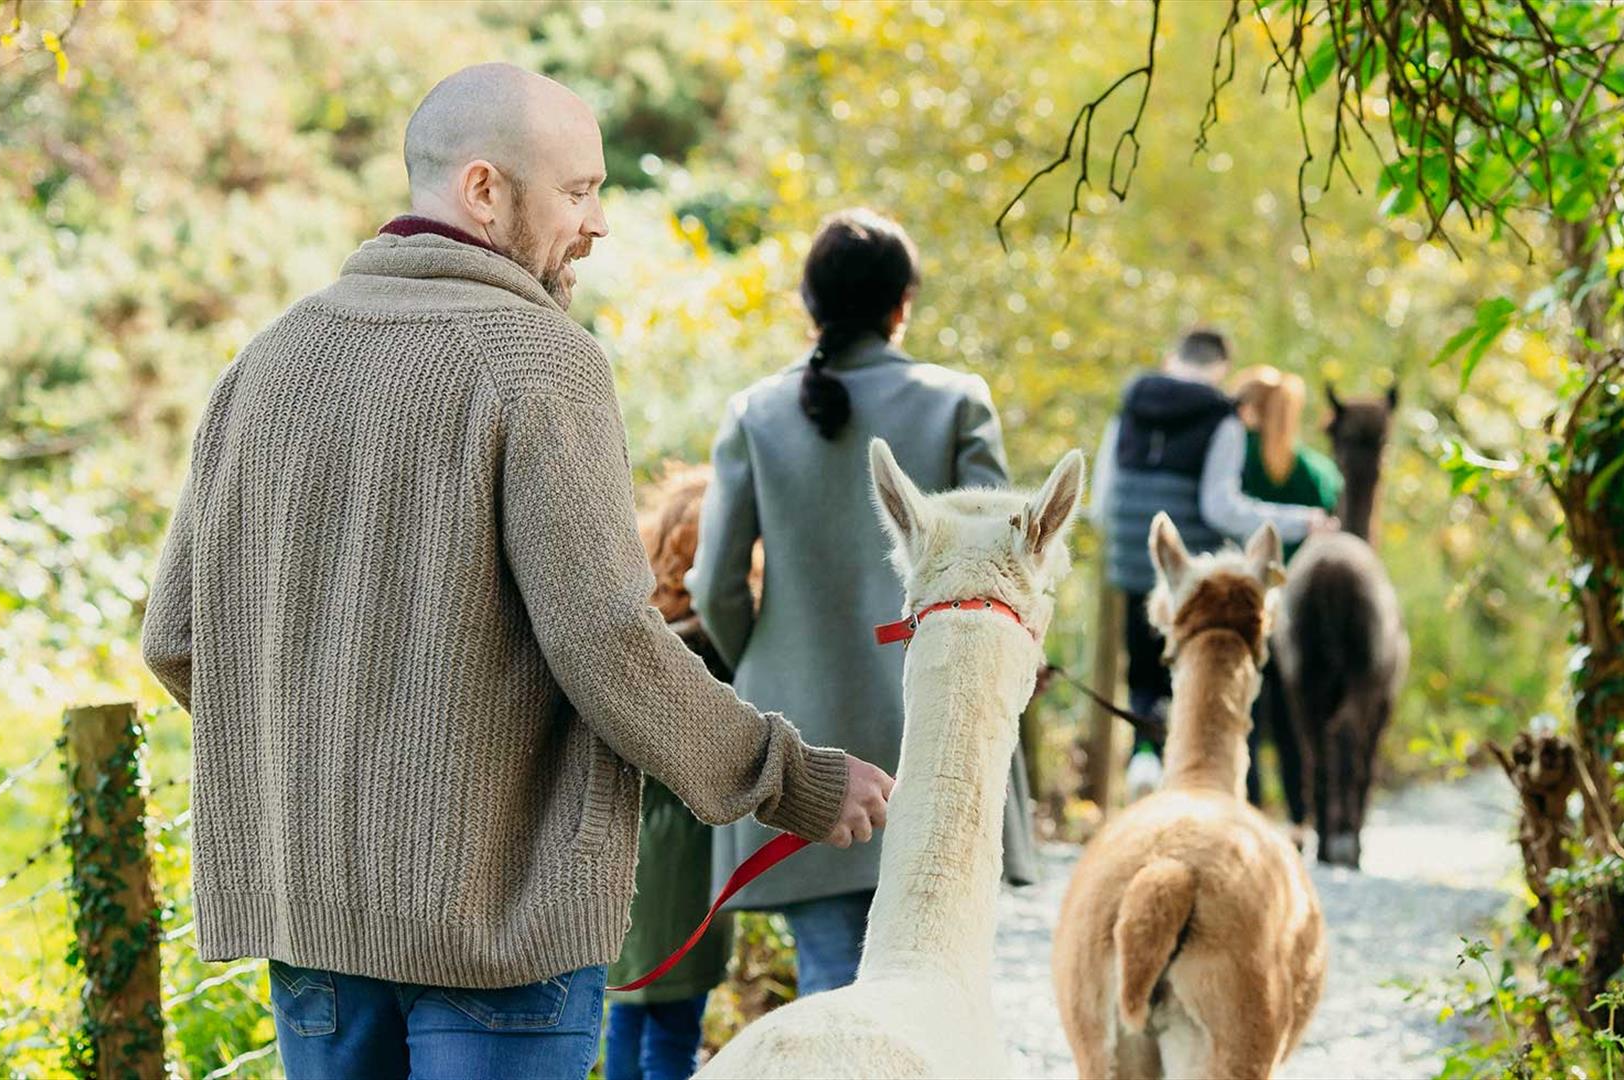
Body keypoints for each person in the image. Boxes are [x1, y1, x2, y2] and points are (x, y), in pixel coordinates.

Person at [139, 64, 894, 1080]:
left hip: (315, 924)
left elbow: (178, 637)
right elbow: (610, 645)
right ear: (485, 190)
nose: (599, 224)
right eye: (579, 191)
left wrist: (338, 778)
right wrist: (794, 778)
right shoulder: (541, 361)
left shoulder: (267, 362)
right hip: (499, 929)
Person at [687, 208, 1040, 999]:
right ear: (902, 304)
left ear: (810, 305)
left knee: (829, 987)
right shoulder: (957, 401)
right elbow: (1004, 563)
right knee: (933, 985)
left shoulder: (754, 413)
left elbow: (711, 584)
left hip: (801, 737)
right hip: (935, 727)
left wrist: (770, 662)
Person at [1086, 329, 1333, 796]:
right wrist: (1302, 522)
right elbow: (1220, 507)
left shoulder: (1128, 410)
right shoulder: (1223, 419)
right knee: (1187, 677)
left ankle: (1143, 755)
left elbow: (1100, 502)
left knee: (1142, 676)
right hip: (1190, 576)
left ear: (1170, 357)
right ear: (1220, 367)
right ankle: (1185, 780)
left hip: (1132, 561)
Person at [603, 466, 741, 1080]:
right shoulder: (716, 645)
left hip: (621, 844)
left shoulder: (629, 630)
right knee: (675, 1032)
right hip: (686, 852)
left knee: (628, 1016)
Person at [1230, 365, 1341, 824]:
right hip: (1300, 610)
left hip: (1247, 603)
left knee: (1248, 713)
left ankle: (1249, 810)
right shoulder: (1313, 472)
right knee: (1293, 716)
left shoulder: (1234, 461)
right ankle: (1300, 816)